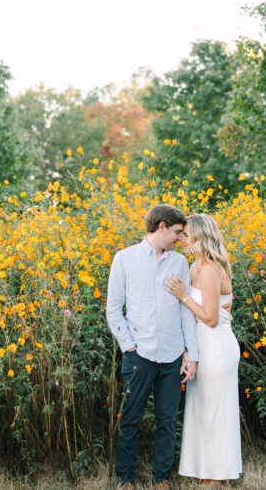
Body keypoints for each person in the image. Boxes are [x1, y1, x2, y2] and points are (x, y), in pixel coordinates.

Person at [106, 204, 199, 490]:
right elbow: (113, 309)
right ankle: (125, 479)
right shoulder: (125, 259)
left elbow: (185, 310)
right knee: (130, 418)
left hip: (172, 355)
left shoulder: (179, 263)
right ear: (161, 227)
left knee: (167, 421)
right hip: (139, 355)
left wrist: (192, 354)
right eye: (177, 232)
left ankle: (161, 478)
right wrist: (129, 347)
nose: (180, 238)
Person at [164, 213, 242, 485]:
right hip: (202, 346)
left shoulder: (209, 269)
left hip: (216, 347)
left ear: (200, 237)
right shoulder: (195, 266)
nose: (182, 240)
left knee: (215, 411)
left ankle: (217, 475)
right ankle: (206, 471)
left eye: (187, 235)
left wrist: (183, 296)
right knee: (202, 410)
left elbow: (210, 318)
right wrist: (189, 348)